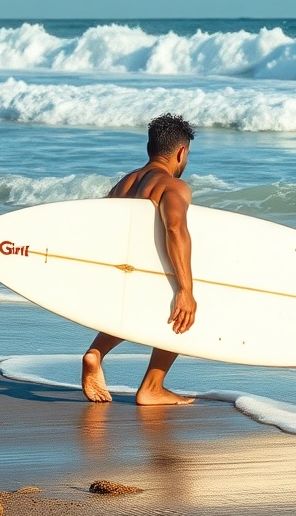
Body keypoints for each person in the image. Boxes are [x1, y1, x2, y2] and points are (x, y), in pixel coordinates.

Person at [81, 113, 198, 406]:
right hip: (151, 269)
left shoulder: (124, 183)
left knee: (139, 308)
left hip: (122, 268)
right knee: (182, 315)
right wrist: (186, 290)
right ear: (181, 152)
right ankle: (152, 387)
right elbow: (174, 228)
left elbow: (101, 224)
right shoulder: (172, 186)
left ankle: (96, 353)